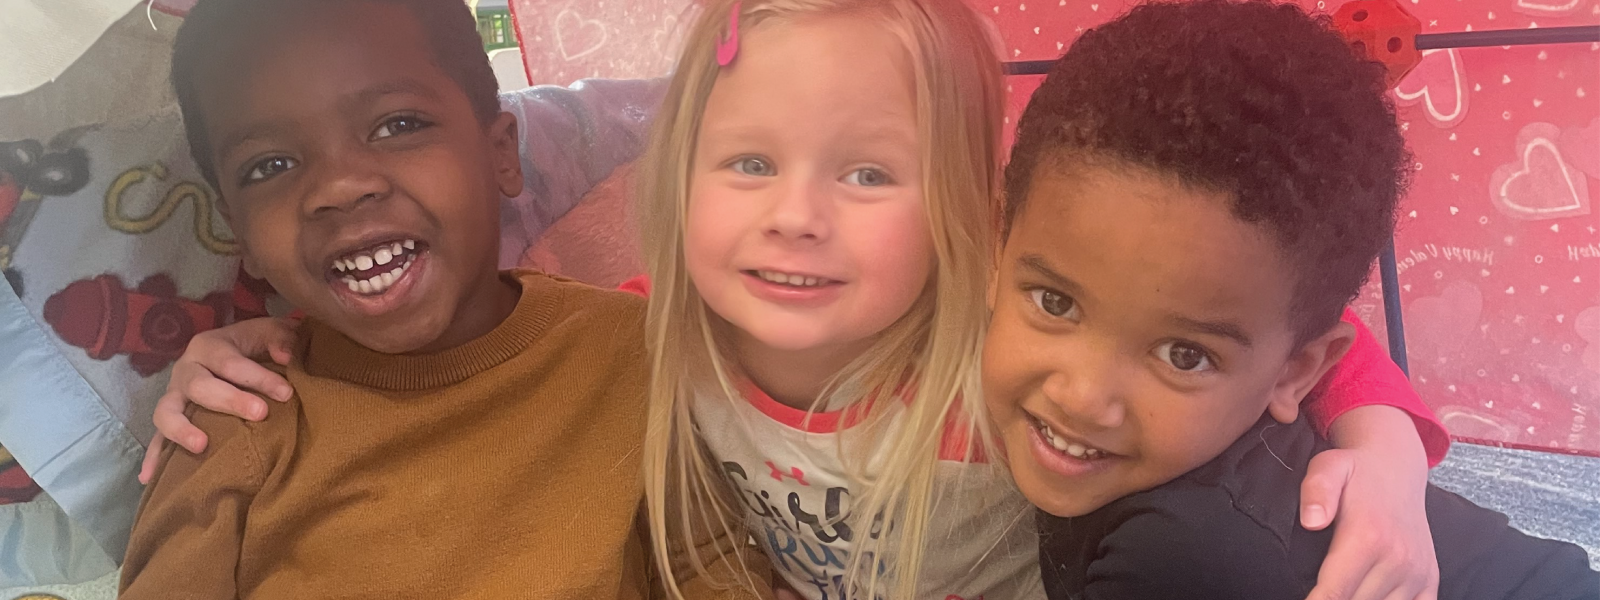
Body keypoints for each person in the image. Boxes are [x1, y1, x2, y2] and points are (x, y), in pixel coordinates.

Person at [144, 0, 1457, 597]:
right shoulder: (662, 331)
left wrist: (1384, 444)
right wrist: (257, 348)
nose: (796, 214)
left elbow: (1214, 320)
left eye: (868, 172)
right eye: (750, 163)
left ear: (967, 212)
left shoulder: (998, 325)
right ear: (684, 176)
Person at [120, 0, 766, 597]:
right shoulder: (234, 413)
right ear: (243, 240)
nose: (339, 187)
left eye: (398, 124)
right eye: (270, 166)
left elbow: (713, 571)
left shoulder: (641, 355)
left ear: (500, 155)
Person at [983, 1, 1600, 598]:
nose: (1084, 399)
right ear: (995, 248)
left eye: (1183, 355)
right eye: (1055, 303)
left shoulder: (1183, 554)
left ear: (1298, 371)